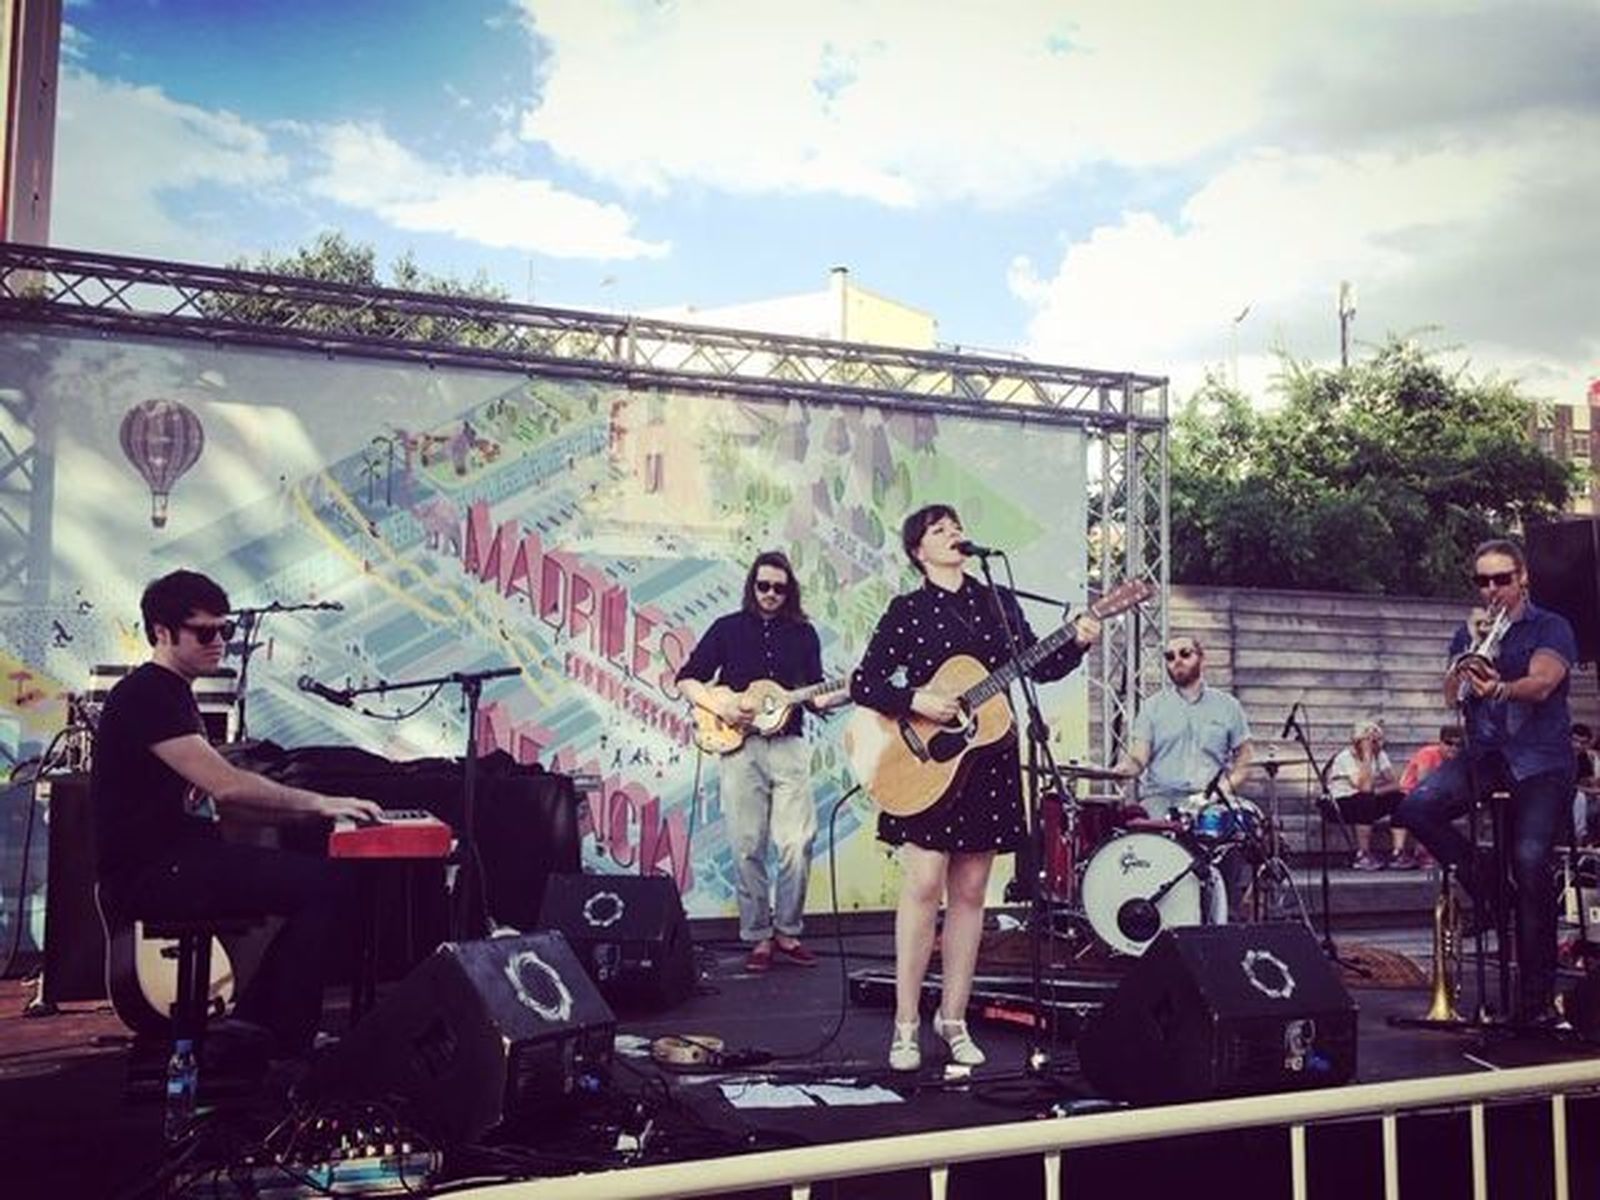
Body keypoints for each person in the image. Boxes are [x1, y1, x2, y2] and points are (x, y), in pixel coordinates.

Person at [91, 570, 383, 1057]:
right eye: (205, 632)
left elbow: (222, 799)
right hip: (153, 872)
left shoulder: (173, 692)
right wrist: (320, 803)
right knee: (327, 885)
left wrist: (313, 817)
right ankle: (282, 1034)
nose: (219, 642)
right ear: (162, 633)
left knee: (315, 876)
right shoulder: (148, 694)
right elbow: (226, 786)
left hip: (177, 860)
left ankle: (258, 1024)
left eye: (225, 631)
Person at [850, 504, 1100, 1071]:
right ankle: (906, 1022)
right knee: (923, 885)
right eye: (939, 530)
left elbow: (1037, 668)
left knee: (969, 895)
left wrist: (1079, 640)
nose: (954, 534)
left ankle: (954, 1017)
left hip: (987, 762)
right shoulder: (907, 611)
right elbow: (866, 681)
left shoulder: (997, 599)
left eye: (956, 526)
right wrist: (916, 700)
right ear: (919, 551)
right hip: (926, 766)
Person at [1393, 538, 1578, 1026]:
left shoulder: (1550, 626)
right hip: (1486, 756)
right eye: (1483, 581)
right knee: (1416, 807)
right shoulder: (1470, 631)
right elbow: (1450, 694)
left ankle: (1536, 998)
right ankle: (1490, 885)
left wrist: (1498, 686)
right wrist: (1471, 653)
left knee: (1531, 860)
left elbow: (1541, 684)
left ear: (1523, 578)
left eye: (1501, 579)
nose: (1492, 589)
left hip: (1541, 762)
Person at [677, 551, 847, 974]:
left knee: (796, 841)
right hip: (740, 747)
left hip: (788, 745)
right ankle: (758, 937)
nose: (770, 594)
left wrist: (853, 690)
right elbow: (687, 678)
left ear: (789, 591)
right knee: (746, 843)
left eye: (779, 588)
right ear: (752, 585)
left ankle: (788, 931)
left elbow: (816, 693)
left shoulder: (803, 634)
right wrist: (724, 704)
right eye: (763, 585)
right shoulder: (727, 629)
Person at [1112, 633, 1254, 911]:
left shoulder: (1228, 706)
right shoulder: (1152, 707)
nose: (1176, 661)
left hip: (1210, 797)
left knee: (1236, 833)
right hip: (1161, 797)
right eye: (1169, 656)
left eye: (1184, 653)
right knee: (1151, 838)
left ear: (1202, 658)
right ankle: (1161, 915)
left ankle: (1226, 915)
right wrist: (1121, 769)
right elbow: (1139, 756)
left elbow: (1246, 756)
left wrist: (1225, 788)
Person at [1326, 718, 1421, 870]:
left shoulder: (1380, 755)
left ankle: (1398, 852)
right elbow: (1364, 787)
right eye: (1372, 741)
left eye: (1378, 740)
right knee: (1365, 799)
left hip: (1366, 799)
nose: (1377, 744)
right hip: (1340, 803)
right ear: (1358, 741)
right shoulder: (1345, 757)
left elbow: (1396, 784)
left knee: (1400, 799)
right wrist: (1367, 755)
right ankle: (1362, 854)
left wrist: (1376, 792)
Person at [1573, 724, 1598, 846]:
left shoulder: (1583, 758)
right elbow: (1567, 786)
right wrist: (1590, 791)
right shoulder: (1560, 757)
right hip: (1566, 797)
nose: (1577, 745)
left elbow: (1589, 780)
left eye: (1583, 743)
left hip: (1584, 797)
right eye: (1575, 740)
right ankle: (1580, 842)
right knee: (1581, 800)